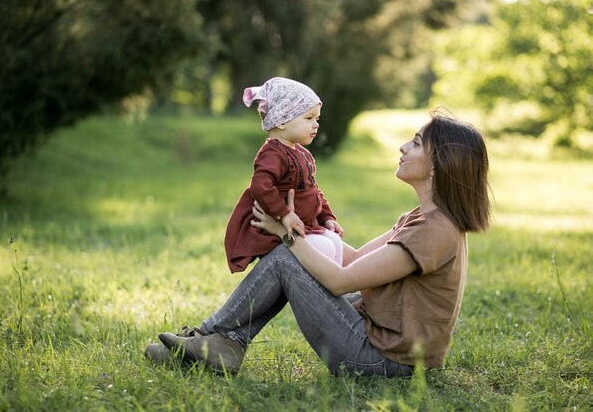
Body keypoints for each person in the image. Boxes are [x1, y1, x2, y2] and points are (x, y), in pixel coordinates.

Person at [145, 111, 491, 378]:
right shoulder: (422, 219)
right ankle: (222, 343)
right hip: (385, 345)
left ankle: (216, 339)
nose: (403, 147)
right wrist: (314, 224)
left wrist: (287, 233)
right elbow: (352, 260)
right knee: (295, 257)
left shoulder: (434, 231)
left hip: (383, 360)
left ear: (439, 165)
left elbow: (340, 281)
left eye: (415, 143)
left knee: (285, 258)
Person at [224, 77, 344, 273]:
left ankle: (332, 293)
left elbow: (313, 191)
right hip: (278, 229)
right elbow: (260, 186)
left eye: (317, 119)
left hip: (305, 226)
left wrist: (327, 217)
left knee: (334, 240)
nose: (316, 125)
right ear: (281, 120)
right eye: (308, 118)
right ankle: (316, 294)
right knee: (325, 247)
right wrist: (285, 214)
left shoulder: (302, 153)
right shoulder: (273, 153)